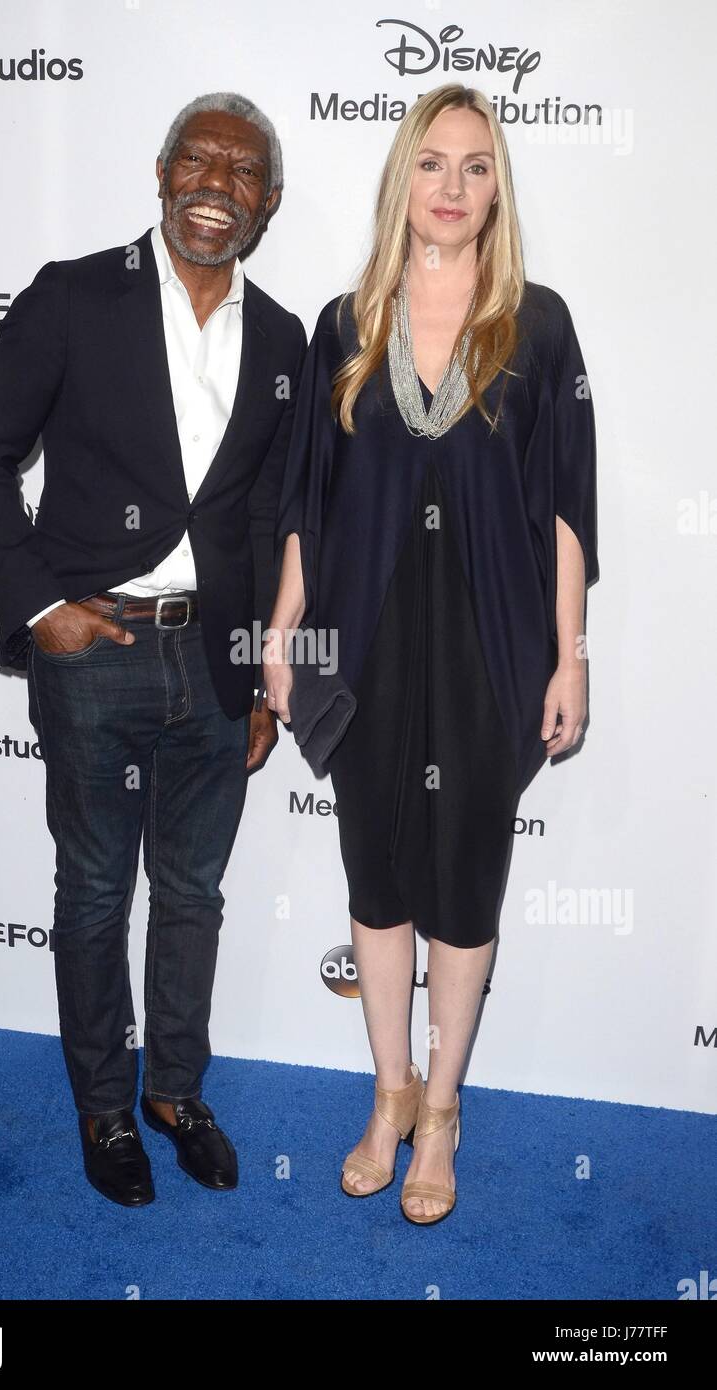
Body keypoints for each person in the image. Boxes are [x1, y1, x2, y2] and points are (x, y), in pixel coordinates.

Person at [0, 93, 307, 1207]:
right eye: (194, 159)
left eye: (241, 171)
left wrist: (253, 680)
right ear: (158, 173)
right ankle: (104, 1108)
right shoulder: (71, 296)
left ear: (268, 202)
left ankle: (174, 1093)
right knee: (96, 892)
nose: (214, 182)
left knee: (191, 891)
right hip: (94, 650)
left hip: (212, 667)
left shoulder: (284, 338)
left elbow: (258, 519)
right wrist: (36, 601)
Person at [263, 84, 598, 1225]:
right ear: (400, 179)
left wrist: (570, 655)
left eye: (474, 165)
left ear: (496, 185)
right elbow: (308, 504)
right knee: (377, 875)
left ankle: (443, 1110)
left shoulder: (537, 326)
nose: (451, 187)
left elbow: (561, 511)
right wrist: (283, 636)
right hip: (364, 644)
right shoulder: (342, 326)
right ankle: (390, 1091)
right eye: (431, 163)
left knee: (462, 884)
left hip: (489, 646)